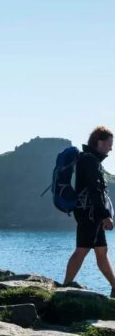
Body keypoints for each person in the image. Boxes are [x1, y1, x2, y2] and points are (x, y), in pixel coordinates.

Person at [64, 126, 115, 296]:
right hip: (89, 214)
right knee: (82, 250)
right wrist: (105, 216)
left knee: (101, 251)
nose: (111, 148)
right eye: (109, 144)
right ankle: (65, 287)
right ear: (99, 142)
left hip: (91, 213)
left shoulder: (90, 159)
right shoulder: (89, 161)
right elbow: (95, 190)